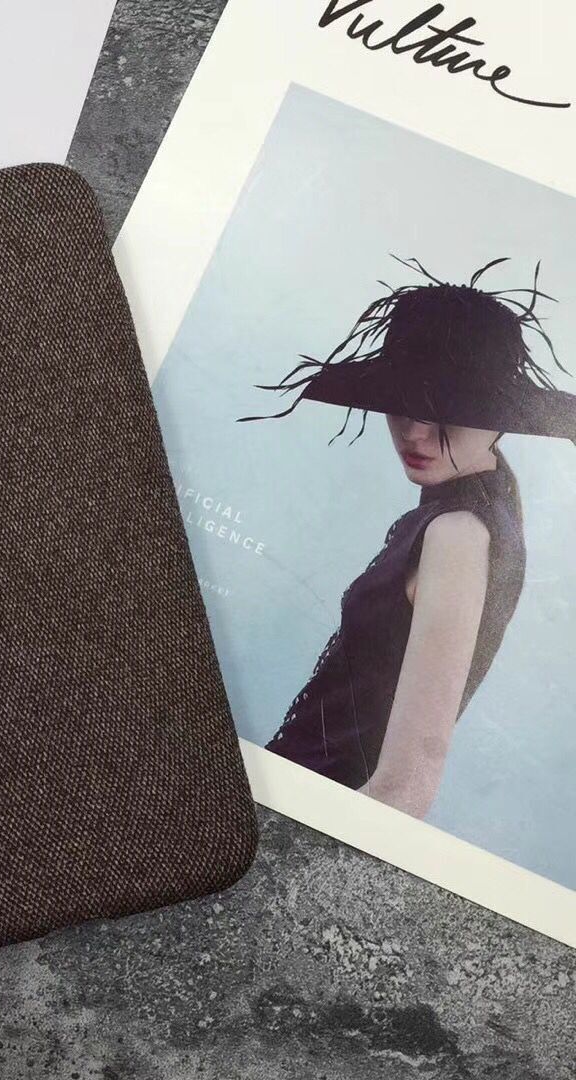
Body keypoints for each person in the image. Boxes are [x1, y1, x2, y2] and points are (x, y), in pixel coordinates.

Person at [247, 257, 576, 818]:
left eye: (448, 409)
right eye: (401, 401)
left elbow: (404, 791)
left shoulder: (458, 534)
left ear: (500, 415)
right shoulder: (494, 494)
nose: (415, 431)